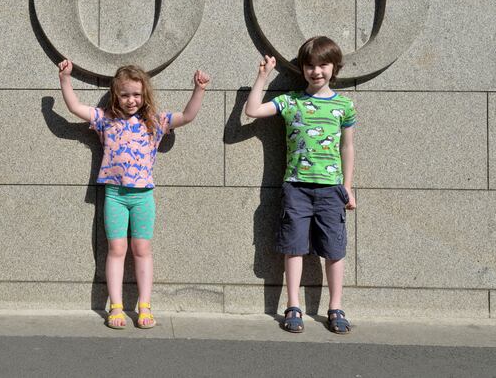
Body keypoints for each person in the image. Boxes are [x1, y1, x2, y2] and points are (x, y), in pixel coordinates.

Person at [58, 60, 209, 329]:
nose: (131, 100)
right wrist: (65, 79)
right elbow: (75, 107)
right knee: (116, 250)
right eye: (125, 94)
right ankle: (115, 306)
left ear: (145, 95)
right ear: (117, 95)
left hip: (143, 197)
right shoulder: (106, 119)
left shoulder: (155, 121)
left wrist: (198, 90)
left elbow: (187, 116)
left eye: (137, 94)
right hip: (114, 195)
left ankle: (145, 305)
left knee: (142, 249)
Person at [244, 36, 356, 334]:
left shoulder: (344, 105)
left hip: (331, 189)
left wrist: (348, 185)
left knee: (334, 250)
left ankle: (335, 307)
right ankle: (292, 305)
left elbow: (347, 148)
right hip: (296, 187)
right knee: (293, 248)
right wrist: (262, 76)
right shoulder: (290, 101)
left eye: (323, 65)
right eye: (310, 65)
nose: (316, 71)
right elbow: (252, 111)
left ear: (335, 67)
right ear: (302, 69)